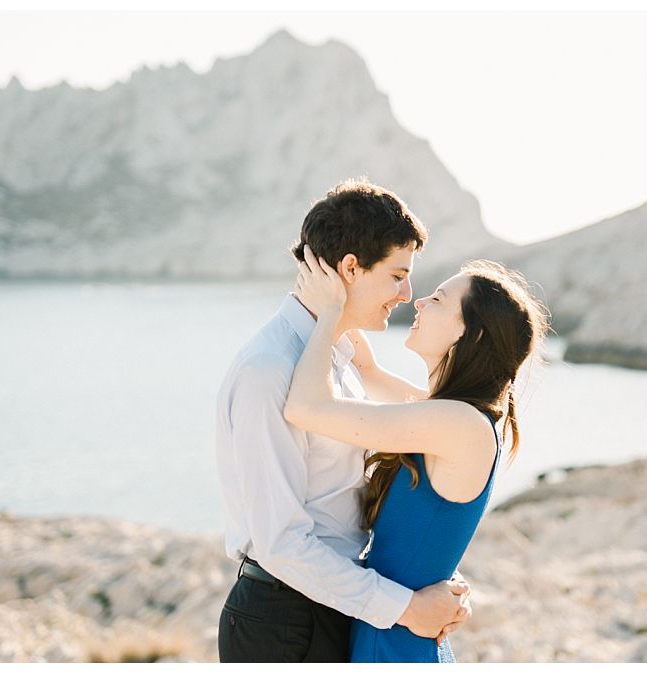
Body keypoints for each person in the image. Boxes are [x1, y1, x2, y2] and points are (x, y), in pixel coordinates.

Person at [215, 179, 472, 663]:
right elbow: (282, 543)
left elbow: (348, 497)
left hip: (330, 603)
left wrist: (429, 572)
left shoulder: (334, 356)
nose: (406, 294)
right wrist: (407, 608)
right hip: (283, 621)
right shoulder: (270, 370)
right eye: (397, 275)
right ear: (351, 268)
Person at [286, 246, 549, 662]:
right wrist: (339, 294)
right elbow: (370, 374)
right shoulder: (448, 417)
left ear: (471, 335)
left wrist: (331, 312)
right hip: (397, 632)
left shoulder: (458, 425)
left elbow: (305, 409)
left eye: (440, 299)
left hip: (396, 644)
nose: (420, 300)